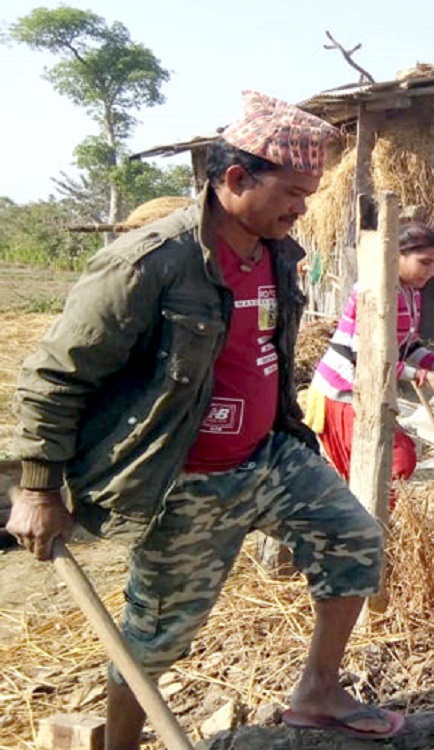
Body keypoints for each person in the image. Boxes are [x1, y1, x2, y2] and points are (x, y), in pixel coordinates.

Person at [5, 92, 403, 745]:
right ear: (237, 179)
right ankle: (125, 744)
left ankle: (318, 692)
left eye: (309, 194)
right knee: (154, 638)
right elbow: (56, 374)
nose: (303, 208)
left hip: (265, 457)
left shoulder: (279, 254)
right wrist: (39, 488)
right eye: (294, 193)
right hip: (182, 478)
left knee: (355, 541)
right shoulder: (150, 263)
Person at [310, 221, 434, 493]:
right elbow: (365, 357)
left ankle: (375, 530)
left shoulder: (410, 293)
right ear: (397, 255)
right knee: (391, 463)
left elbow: (408, 346)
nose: (432, 272)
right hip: (343, 393)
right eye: (424, 262)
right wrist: (420, 375)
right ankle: (368, 531)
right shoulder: (374, 291)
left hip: (369, 391)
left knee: (384, 470)